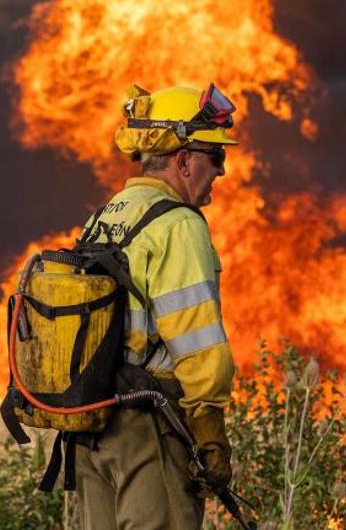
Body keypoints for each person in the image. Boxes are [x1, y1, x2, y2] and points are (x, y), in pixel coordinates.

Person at [74, 84, 239, 530]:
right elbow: (197, 343)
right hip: (147, 426)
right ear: (184, 160)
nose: (221, 170)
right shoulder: (177, 224)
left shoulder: (109, 214)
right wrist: (209, 433)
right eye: (215, 156)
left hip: (92, 428)